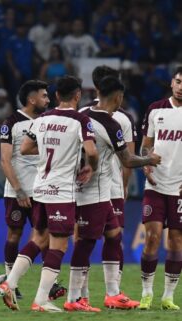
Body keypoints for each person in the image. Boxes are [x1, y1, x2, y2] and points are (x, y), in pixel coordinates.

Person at [0, 76, 99, 312]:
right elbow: (92, 151)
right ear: (77, 96)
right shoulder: (80, 120)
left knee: (39, 239)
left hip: (40, 187)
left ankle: (9, 283)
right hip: (61, 191)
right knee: (59, 246)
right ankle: (41, 300)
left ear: (56, 96)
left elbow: (24, 148)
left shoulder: (42, 119)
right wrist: (90, 165)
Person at [65, 76, 160, 312]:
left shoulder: (83, 114)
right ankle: (74, 297)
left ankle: (113, 294)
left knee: (114, 235)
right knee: (86, 242)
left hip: (101, 190)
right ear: (118, 96)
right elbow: (127, 159)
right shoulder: (110, 124)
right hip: (92, 191)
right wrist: (150, 159)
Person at [0, 80, 49, 300]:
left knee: (45, 236)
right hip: (17, 192)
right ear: (32, 99)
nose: (48, 100)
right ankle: (11, 281)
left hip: (43, 191)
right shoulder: (11, 123)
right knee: (14, 234)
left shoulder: (48, 121)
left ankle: (50, 284)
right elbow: (5, 160)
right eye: (44, 96)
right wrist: (19, 190)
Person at [139, 66, 182, 310]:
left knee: (176, 241)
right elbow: (146, 146)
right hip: (155, 184)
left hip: (179, 188)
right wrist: (146, 164)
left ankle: (168, 296)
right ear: (171, 83)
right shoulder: (155, 109)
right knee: (152, 238)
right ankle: (146, 293)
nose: (181, 87)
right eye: (178, 81)